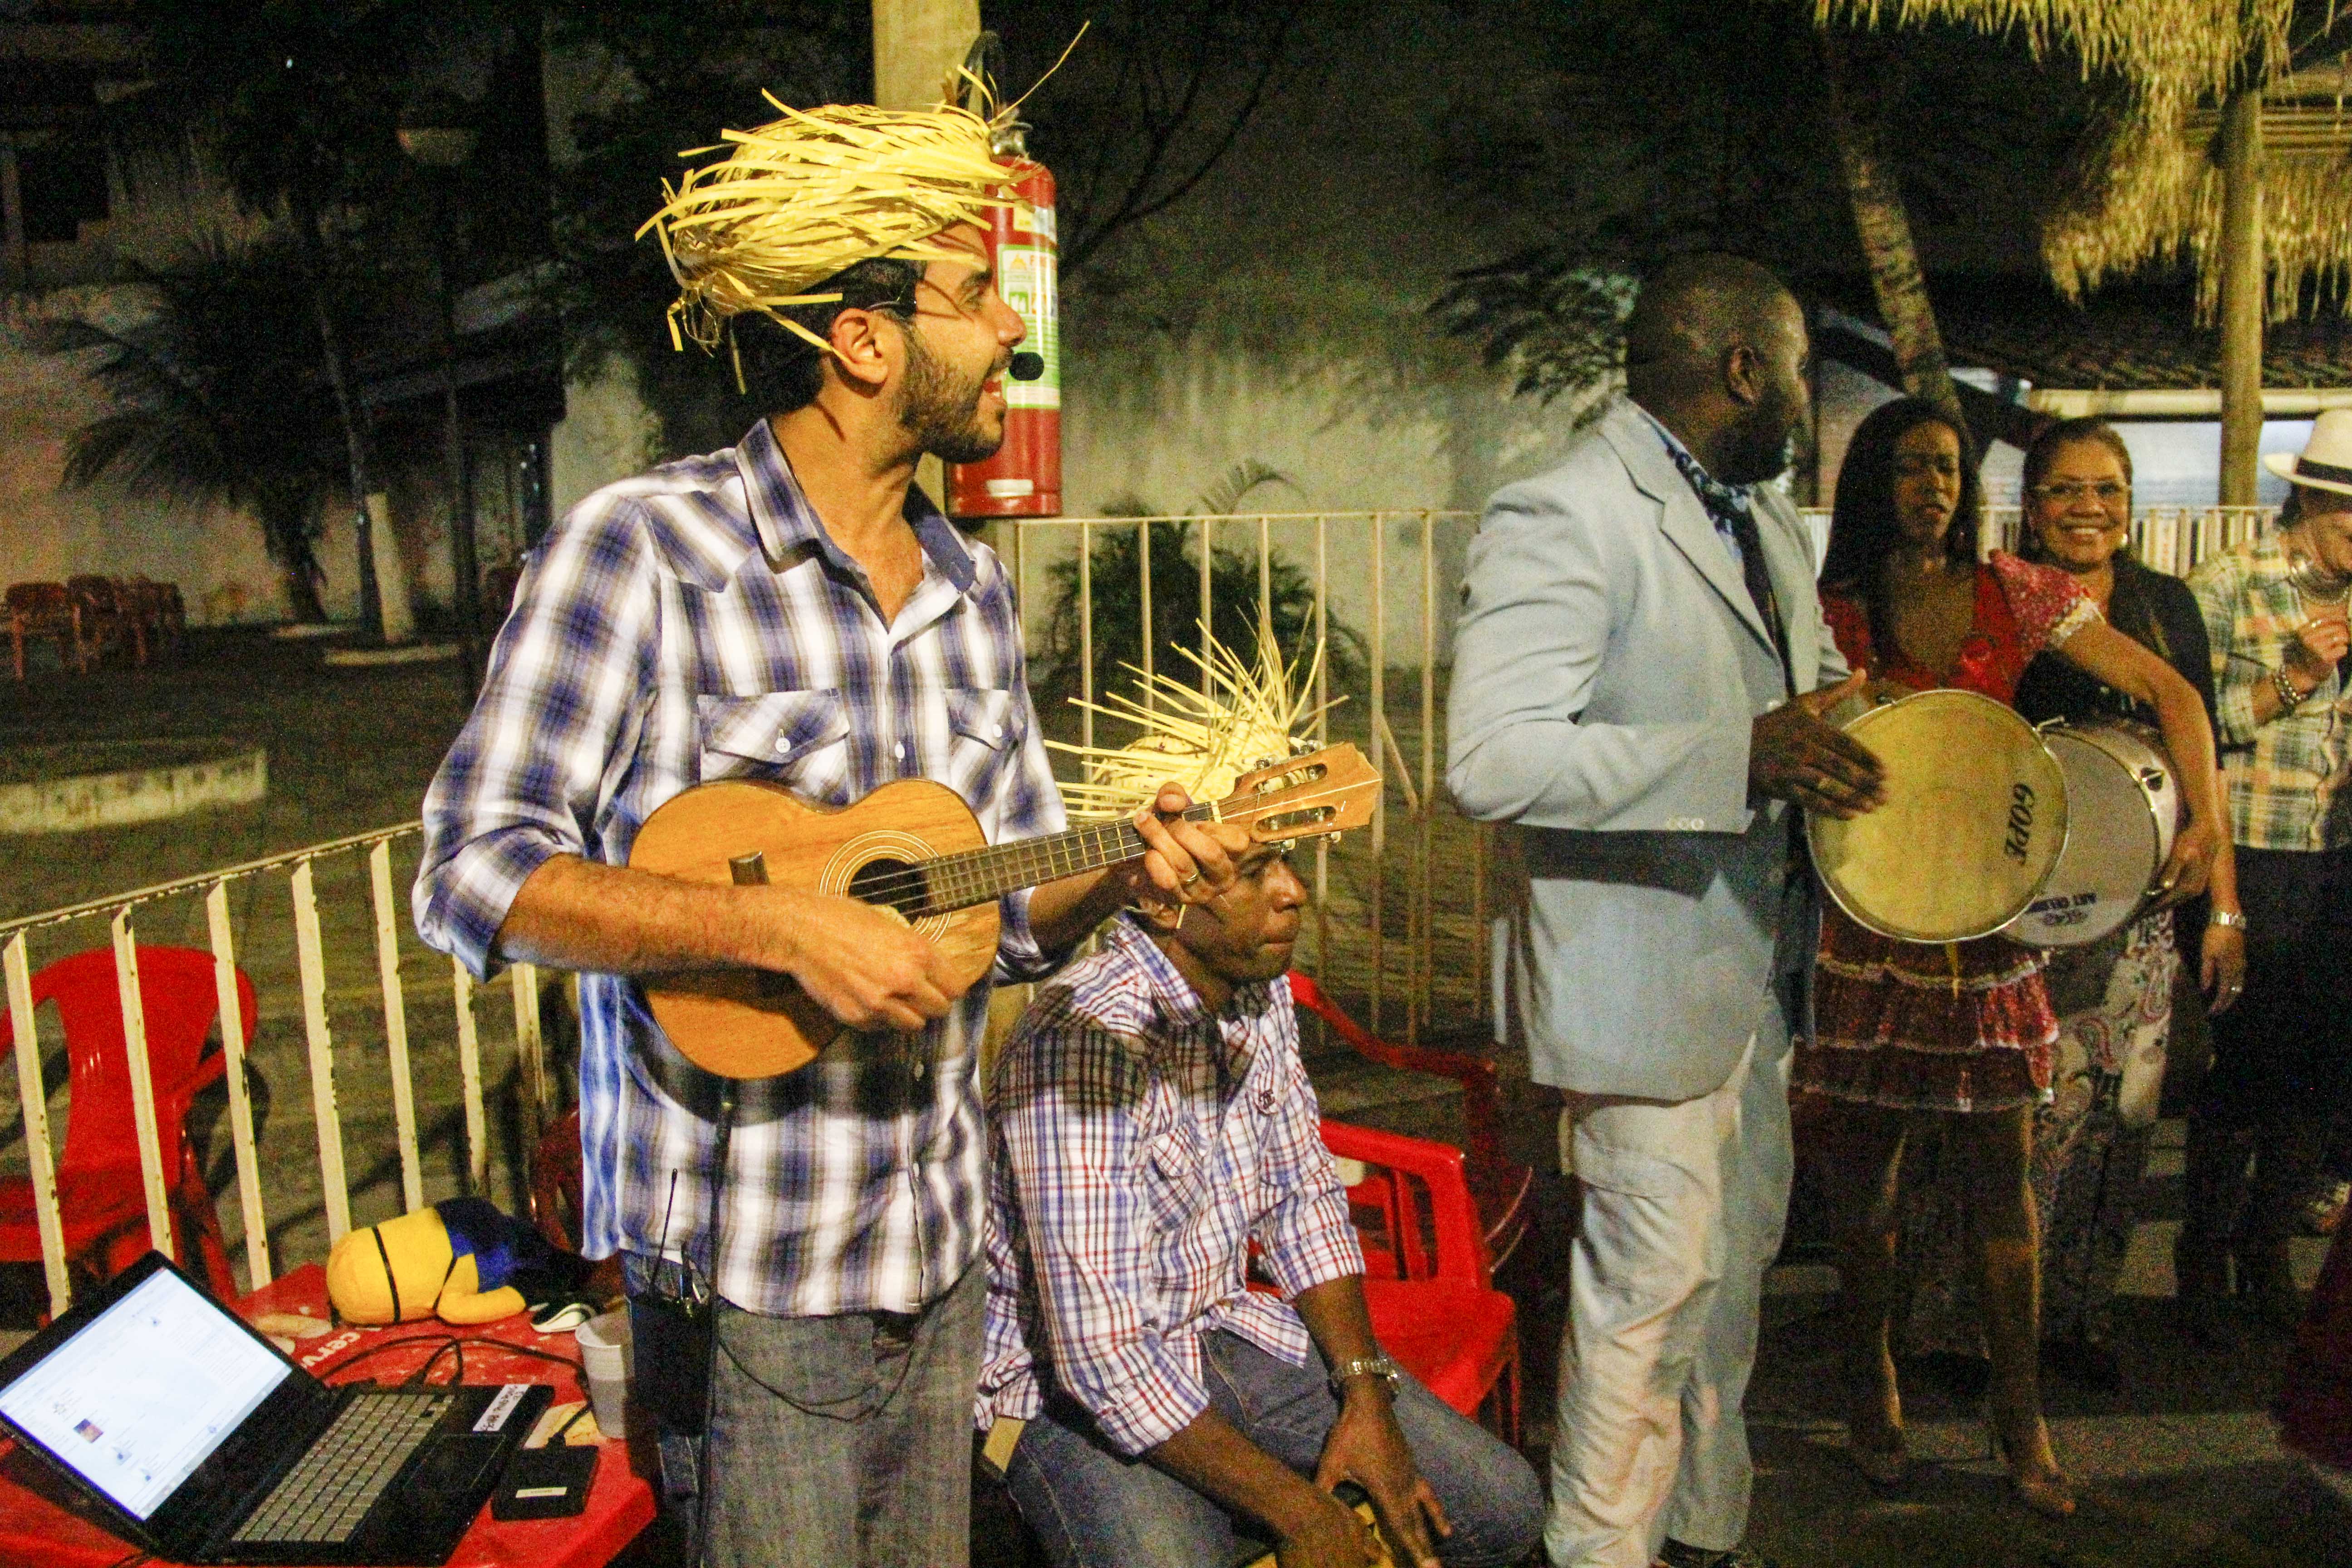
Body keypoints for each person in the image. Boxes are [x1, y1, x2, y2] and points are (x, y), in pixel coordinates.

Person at [411, 99, 1235, 1567]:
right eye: (976, 294)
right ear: (863, 341)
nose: (1011, 331)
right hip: (748, 1280)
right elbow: (473, 869)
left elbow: (1008, 914)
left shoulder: (972, 593)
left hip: (938, 1254)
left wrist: (1121, 867)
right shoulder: (646, 551)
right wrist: (775, 924)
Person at [1448, 253, 1887, 1568]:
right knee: (1643, 1313)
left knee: (1725, 1294)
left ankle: (1701, 1538)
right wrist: (1734, 757)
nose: (1807, 401)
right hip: (1637, 995)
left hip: (1753, 983)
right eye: (1800, 372)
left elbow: (1806, 697)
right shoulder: (1568, 512)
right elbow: (1492, 759)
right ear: (1743, 369)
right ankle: (1598, 1552)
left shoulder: (1765, 520)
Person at [1800, 398, 2224, 1519]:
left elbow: (2174, 692)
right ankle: (1869, 1382)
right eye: (1909, 467)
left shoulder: (2017, 590)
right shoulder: (1831, 606)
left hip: (1991, 921)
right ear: (1871, 483)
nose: (1933, 486)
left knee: (2005, 1188)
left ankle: (2019, 1416)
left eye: (1948, 467)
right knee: (1866, 1186)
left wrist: (2207, 826)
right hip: (1874, 914)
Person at [977, 826, 1546, 1568]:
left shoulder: (1256, 987)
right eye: (1252, 875)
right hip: (1062, 1387)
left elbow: (1303, 1198)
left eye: (1287, 864)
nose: (1293, 893)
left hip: (1220, 1326)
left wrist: (1367, 1398)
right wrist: (1303, 1514)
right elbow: (1101, 1356)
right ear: (1165, 904)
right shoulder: (1085, 1037)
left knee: (1502, 1509)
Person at [2007, 418, 2243, 1391]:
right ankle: (1982, 1326)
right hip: (2032, 908)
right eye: (2066, 490)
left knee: (2122, 1118)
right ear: (2032, 507)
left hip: (2146, 909)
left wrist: (2222, 906)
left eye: (2107, 489)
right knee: (2028, 1116)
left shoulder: (2165, 605)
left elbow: (2204, 753)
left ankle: (2080, 1314)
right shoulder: (2009, 603)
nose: (2088, 508)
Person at [2178, 409, 2352, 1343]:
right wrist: (2291, 678)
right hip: (2250, 857)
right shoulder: (2228, 583)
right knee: (2244, 1065)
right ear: (2313, 500)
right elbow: (2191, 732)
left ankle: (2268, 1250)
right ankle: (2203, 1256)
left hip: (2337, 853)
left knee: (2322, 1069)